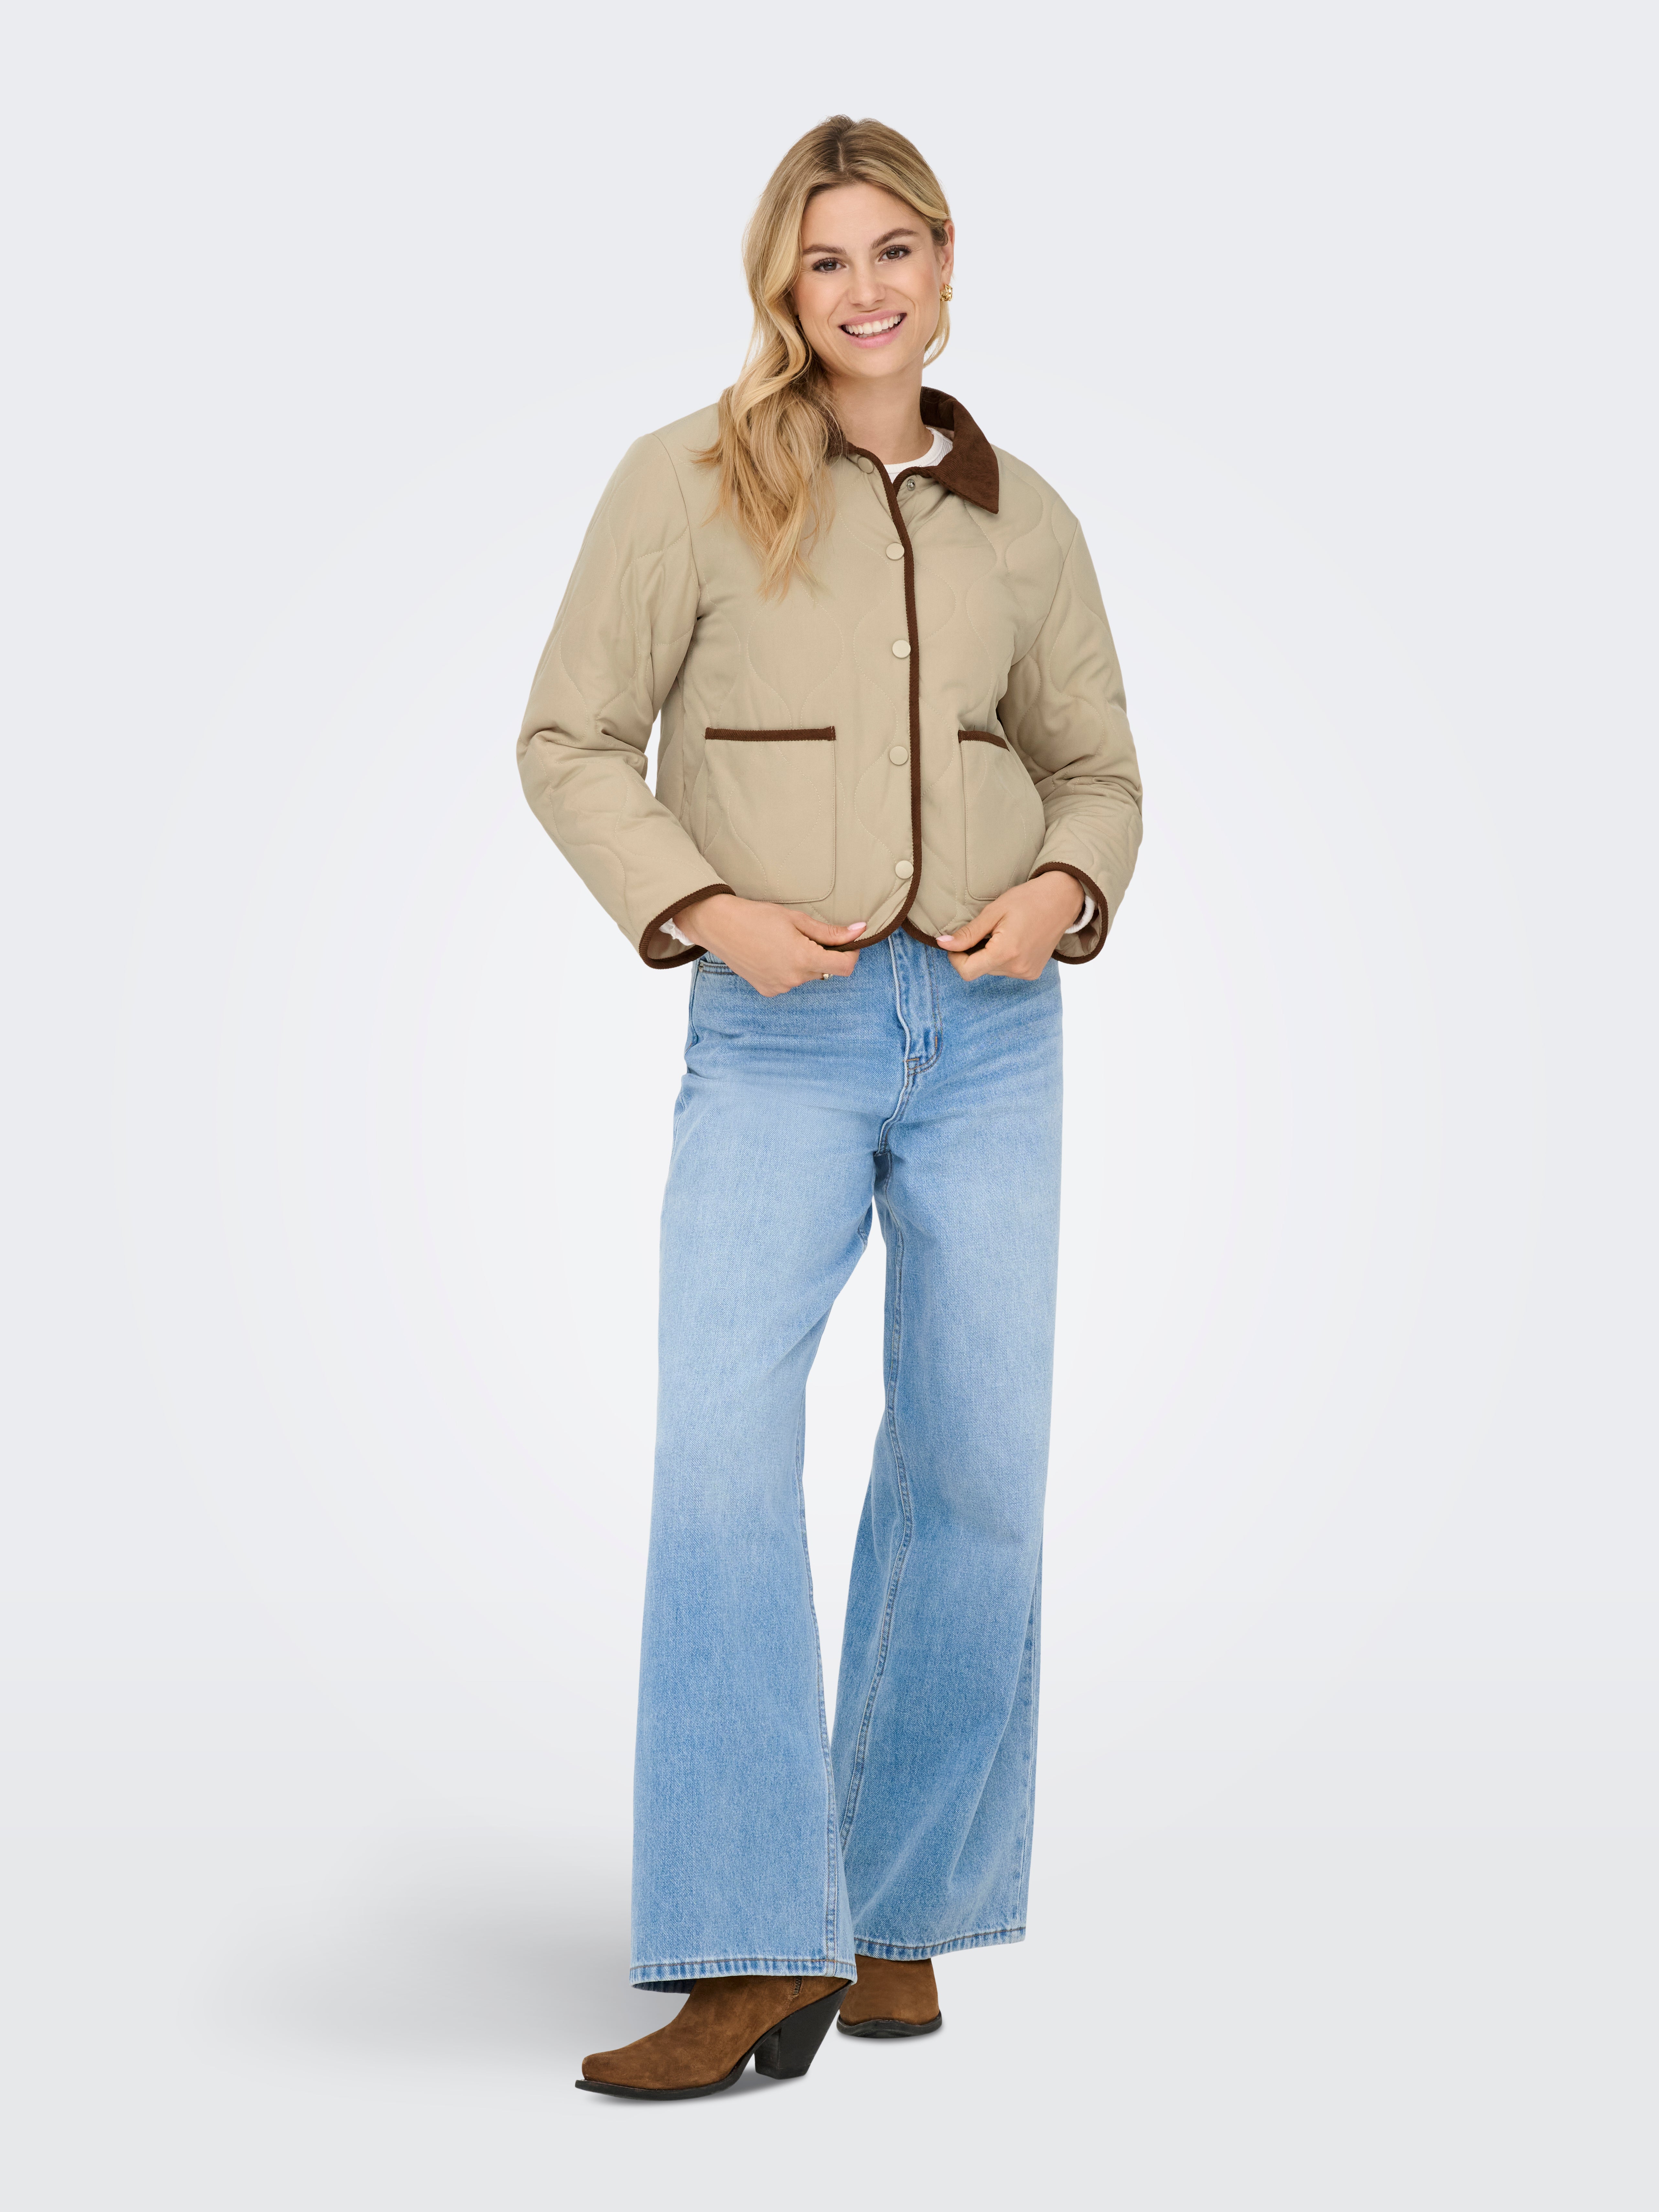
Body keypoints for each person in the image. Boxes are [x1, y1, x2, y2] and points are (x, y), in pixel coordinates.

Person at [517, 114, 1143, 2101]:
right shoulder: (688, 484)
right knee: (720, 1460)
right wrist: (706, 909)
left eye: (895, 250)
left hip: (996, 1035)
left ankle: (892, 1913)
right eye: (825, 257)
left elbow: (1097, 765)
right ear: (783, 286)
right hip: (778, 1036)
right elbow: (568, 738)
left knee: (978, 1470)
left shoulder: (1025, 519)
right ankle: (741, 1946)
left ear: (945, 270)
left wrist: (1066, 887)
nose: (864, 288)